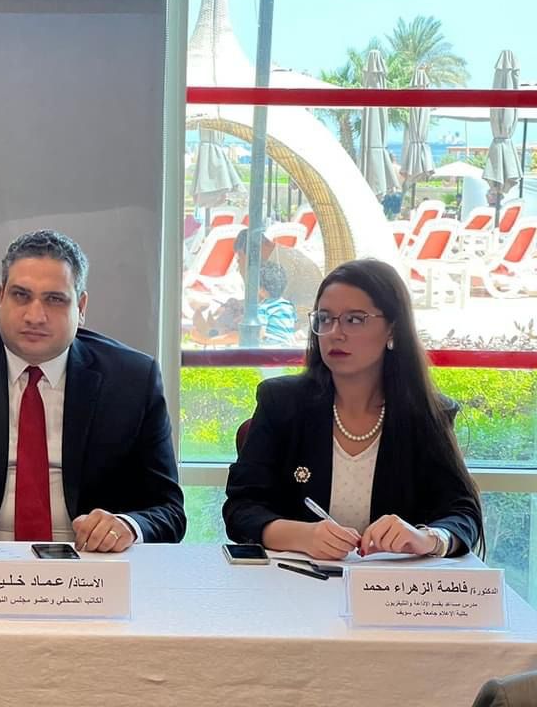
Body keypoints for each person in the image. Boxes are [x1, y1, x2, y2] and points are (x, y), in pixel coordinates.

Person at [0, 230, 185, 555]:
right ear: (0, 298)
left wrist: (127, 526)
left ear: (81, 307)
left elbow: (169, 511)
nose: (34, 316)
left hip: (92, 564)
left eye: (55, 299)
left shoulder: (132, 379)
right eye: (21, 296)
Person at [223, 259, 483, 560]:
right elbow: (241, 507)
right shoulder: (281, 402)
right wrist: (302, 536)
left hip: (392, 585)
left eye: (354, 320)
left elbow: (463, 513)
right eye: (325, 319)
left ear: (392, 329)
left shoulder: (425, 414)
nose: (335, 332)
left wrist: (427, 539)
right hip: (296, 580)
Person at [190, 262, 296, 347]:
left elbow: (256, 335)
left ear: (261, 289)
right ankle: (211, 333)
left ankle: (207, 340)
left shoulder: (263, 308)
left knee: (240, 335)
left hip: (270, 351)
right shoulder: (288, 306)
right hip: (286, 350)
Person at [233, 228, 322, 318]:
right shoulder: (281, 255)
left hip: (305, 319)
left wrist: (245, 273)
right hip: (306, 313)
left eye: (241, 257)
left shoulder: (280, 263)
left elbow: (268, 304)